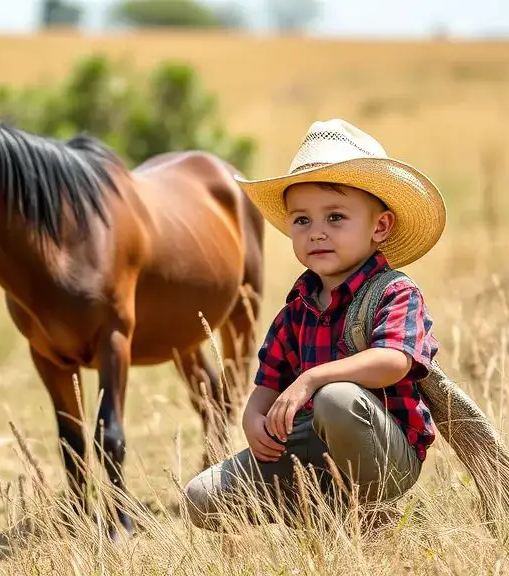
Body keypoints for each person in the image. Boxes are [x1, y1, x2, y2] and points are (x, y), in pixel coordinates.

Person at [183, 118, 448, 532]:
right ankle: (322, 516)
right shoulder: (295, 311)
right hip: (309, 451)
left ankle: (371, 512)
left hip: (386, 455)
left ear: (380, 226)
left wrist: (312, 380)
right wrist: (253, 422)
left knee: (336, 398)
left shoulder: (394, 292)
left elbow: (394, 360)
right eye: (302, 220)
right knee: (201, 498)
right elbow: (266, 387)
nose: (317, 233)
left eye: (336, 217)